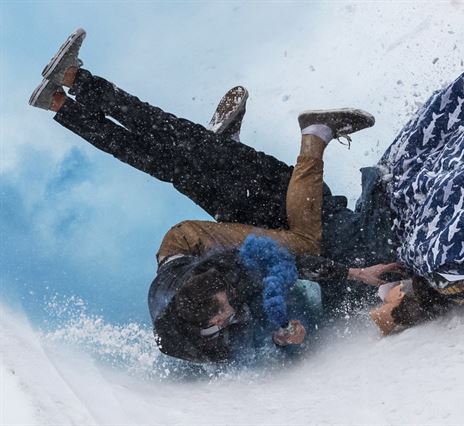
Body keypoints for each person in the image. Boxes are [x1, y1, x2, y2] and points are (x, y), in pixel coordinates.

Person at [29, 28, 401, 363]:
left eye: (222, 311)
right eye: (223, 314)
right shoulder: (193, 330)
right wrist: (281, 333)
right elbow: (269, 291)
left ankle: (74, 80)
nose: (226, 315)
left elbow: (267, 266)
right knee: (175, 162)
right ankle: (60, 100)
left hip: (192, 245)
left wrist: (341, 279)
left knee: (173, 139)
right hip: (192, 254)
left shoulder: (214, 278)